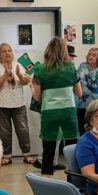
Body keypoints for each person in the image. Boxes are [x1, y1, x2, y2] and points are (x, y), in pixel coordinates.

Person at [31, 37, 81, 175]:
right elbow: (79, 92)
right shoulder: (71, 67)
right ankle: (74, 179)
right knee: (71, 147)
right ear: (63, 51)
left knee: (49, 148)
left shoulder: (41, 69)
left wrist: (32, 84)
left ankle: (46, 180)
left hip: (49, 112)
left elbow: (36, 96)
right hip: (68, 111)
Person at [0, 42, 35, 165]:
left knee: (23, 130)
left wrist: (19, 74)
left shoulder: (18, 65)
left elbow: (26, 82)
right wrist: (5, 74)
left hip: (18, 104)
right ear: (0, 54)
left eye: (9, 50)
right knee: (4, 132)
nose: (7, 53)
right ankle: (7, 156)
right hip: (1, 105)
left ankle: (26, 154)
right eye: (4, 51)